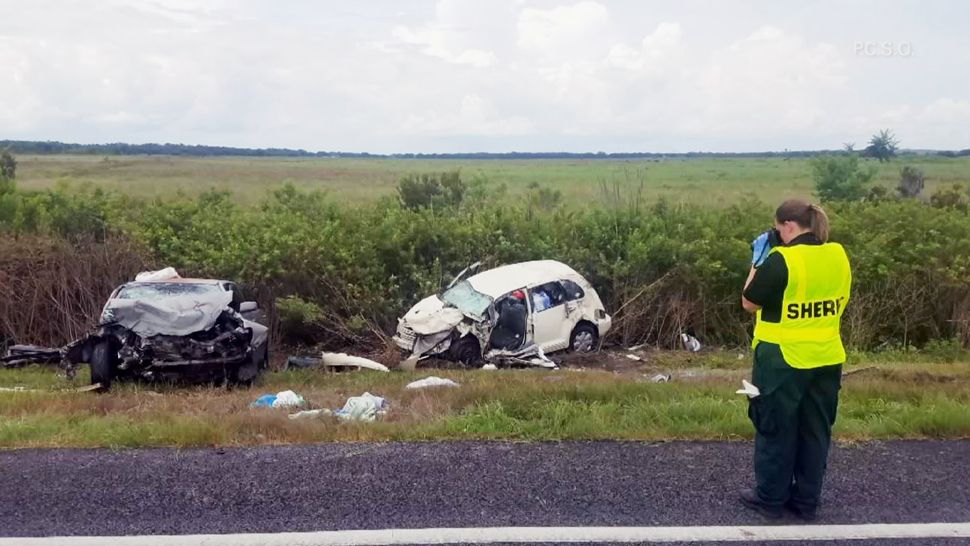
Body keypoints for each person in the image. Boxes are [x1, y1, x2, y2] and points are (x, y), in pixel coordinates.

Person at [739, 199, 852, 521]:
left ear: (788, 225)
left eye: (777, 230)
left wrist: (758, 260)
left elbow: (749, 302)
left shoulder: (781, 260)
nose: (776, 235)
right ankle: (806, 501)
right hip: (828, 357)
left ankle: (770, 498)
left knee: (774, 426)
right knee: (816, 430)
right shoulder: (837, 255)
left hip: (782, 360)